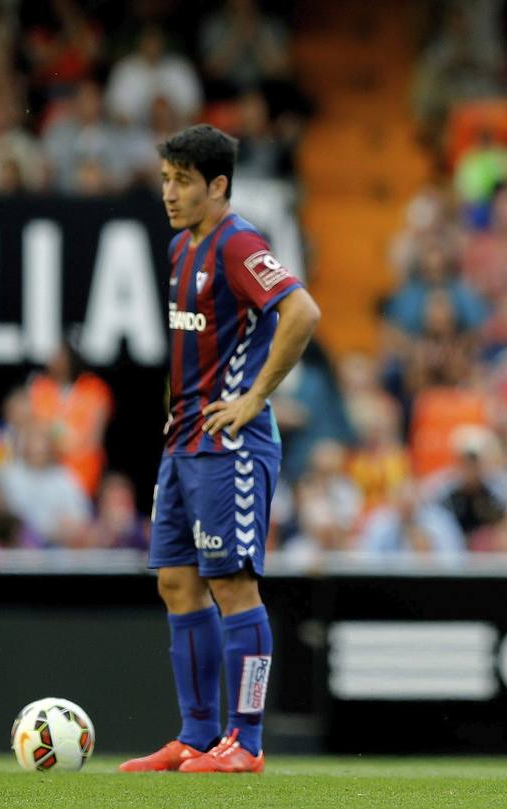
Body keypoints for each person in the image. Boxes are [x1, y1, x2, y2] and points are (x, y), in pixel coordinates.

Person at [120, 124, 320, 774]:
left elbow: (302, 312)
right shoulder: (182, 247)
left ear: (219, 184)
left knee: (232, 585)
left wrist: (256, 397)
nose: (169, 193)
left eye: (182, 180)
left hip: (229, 446)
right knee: (178, 582)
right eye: (165, 178)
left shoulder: (240, 243)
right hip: (182, 446)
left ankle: (249, 740)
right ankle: (198, 735)